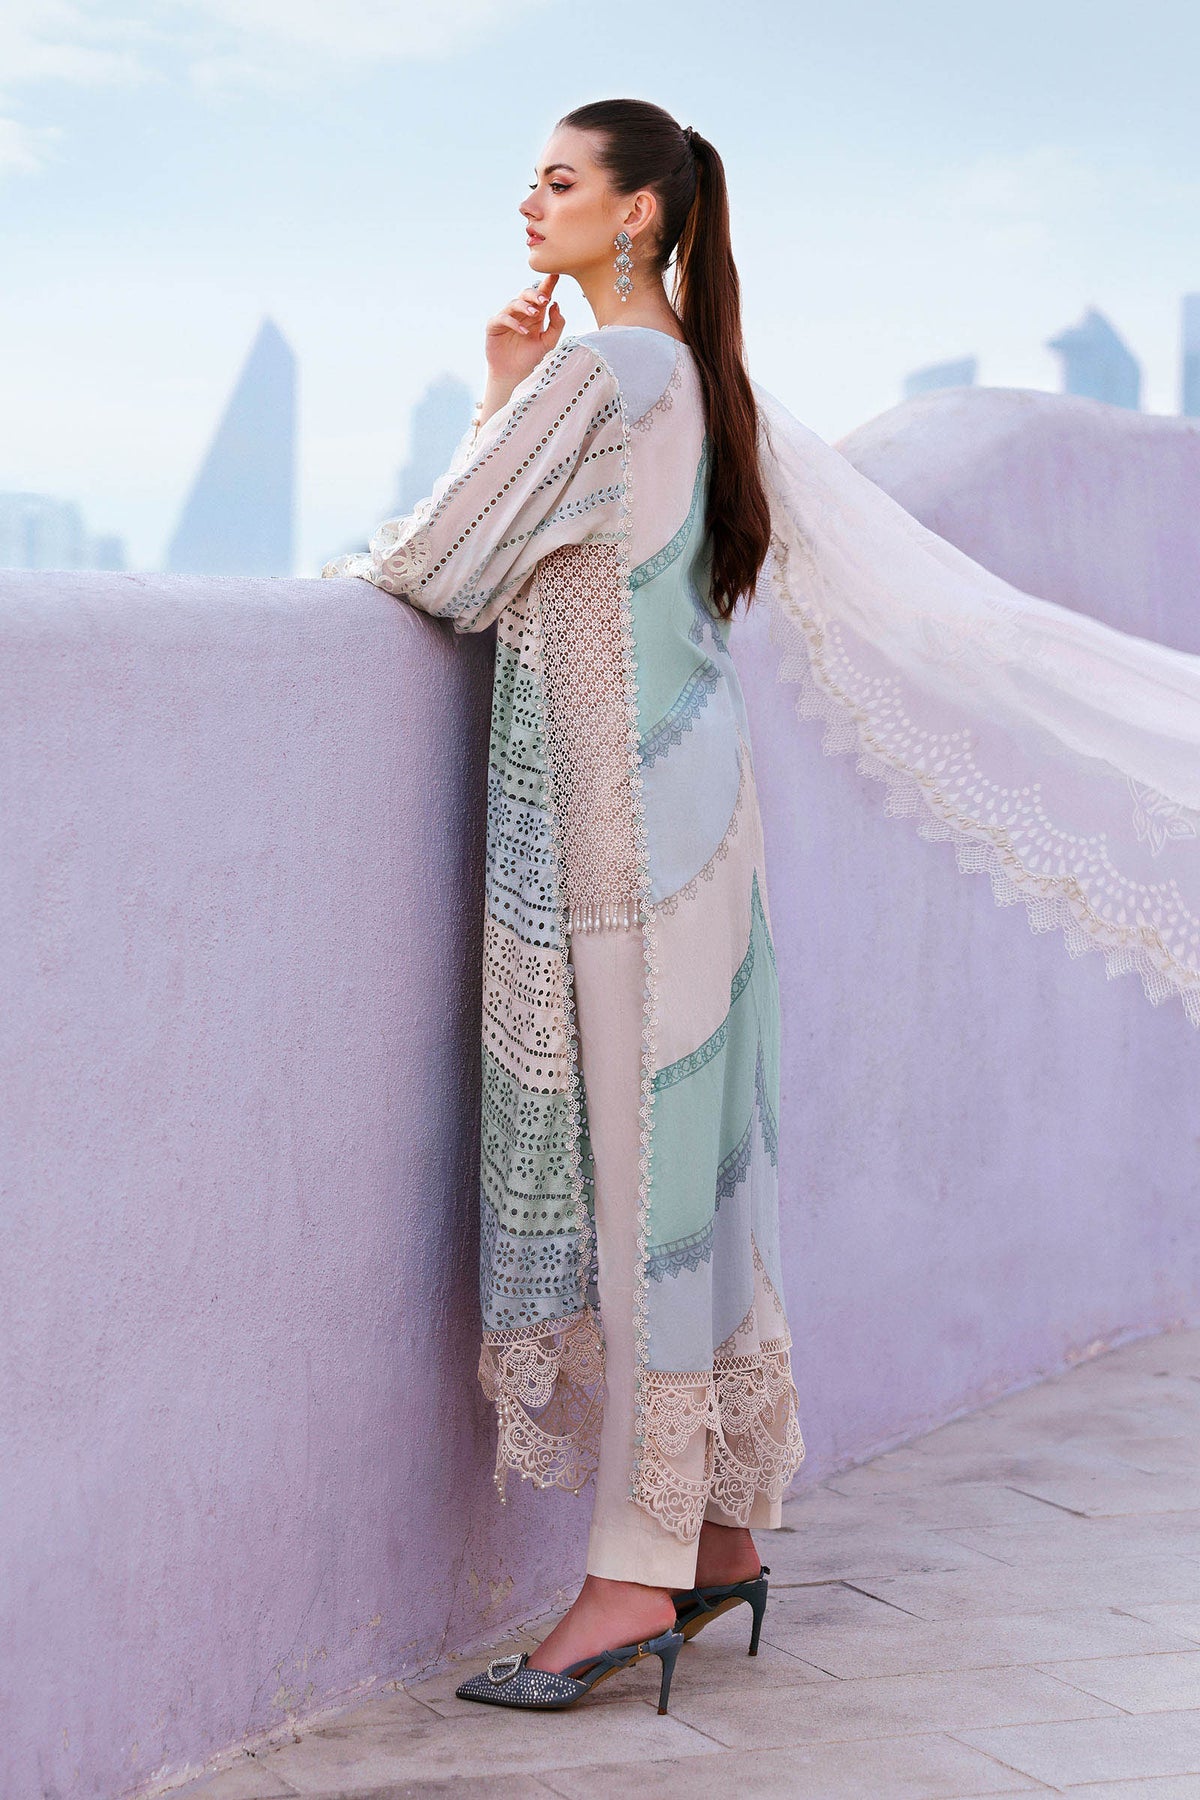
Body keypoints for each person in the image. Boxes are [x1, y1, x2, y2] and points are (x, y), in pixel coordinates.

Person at [323, 97, 1200, 1714]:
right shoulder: (697, 380)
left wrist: (497, 397)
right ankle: (718, 1534)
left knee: (650, 1191)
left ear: (642, 215)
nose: (532, 202)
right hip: (704, 813)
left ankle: (628, 1576)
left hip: (622, 829)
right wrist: (518, 400)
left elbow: (443, 562)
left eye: (563, 180)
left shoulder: (605, 370)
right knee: (706, 1183)